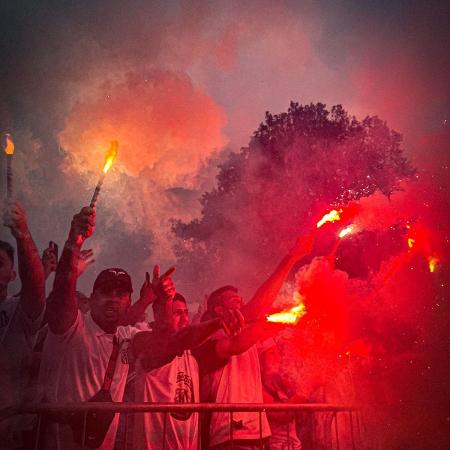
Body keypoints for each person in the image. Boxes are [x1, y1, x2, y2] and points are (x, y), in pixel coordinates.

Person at [195, 234, 315, 449]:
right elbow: (258, 311)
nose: (241, 303)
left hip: (258, 431)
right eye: (234, 301)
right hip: (231, 434)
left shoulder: (247, 334)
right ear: (219, 311)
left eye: (241, 300)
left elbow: (268, 356)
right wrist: (291, 258)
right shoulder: (213, 337)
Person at [132, 268, 244, 450]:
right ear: (159, 316)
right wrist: (166, 300)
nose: (184, 318)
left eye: (186, 312)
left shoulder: (192, 355)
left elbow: (192, 338)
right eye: (177, 313)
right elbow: (173, 341)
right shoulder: (148, 347)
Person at [0, 201, 45, 449]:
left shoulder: (17, 311)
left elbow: (36, 289)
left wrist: (23, 236)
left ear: (12, 275)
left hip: (11, 436)